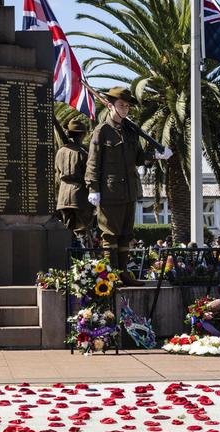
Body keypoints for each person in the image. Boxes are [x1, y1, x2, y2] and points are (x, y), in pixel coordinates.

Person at [85, 87, 171, 284]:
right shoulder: (102, 131)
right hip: (110, 192)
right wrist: (93, 188)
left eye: (127, 106)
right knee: (110, 235)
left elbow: (139, 157)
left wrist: (156, 155)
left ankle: (123, 274)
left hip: (129, 191)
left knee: (125, 235)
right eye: (121, 105)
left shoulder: (130, 131)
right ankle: (111, 276)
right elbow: (93, 162)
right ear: (110, 105)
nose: (125, 109)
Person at [54, 118, 94, 248]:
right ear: (82, 135)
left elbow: (57, 173)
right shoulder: (84, 154)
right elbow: (89, 176)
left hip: (63, 197)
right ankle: (88, 263)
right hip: (79, 196)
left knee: (68, 230)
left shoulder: (60, 152)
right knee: (83, 231)